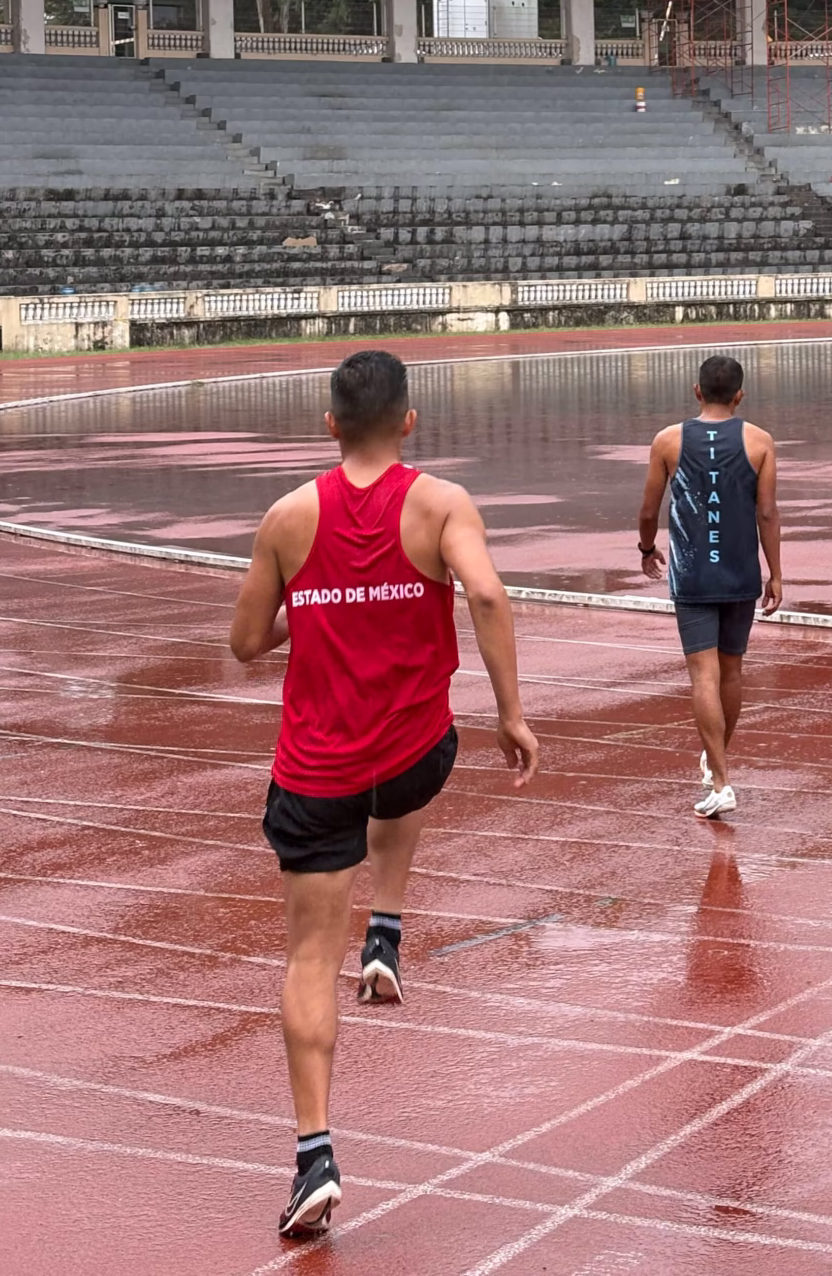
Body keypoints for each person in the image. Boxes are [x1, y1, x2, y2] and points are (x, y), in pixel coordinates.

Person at [228, 350, 540, 1241]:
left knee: (304, 961)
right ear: (409, 422)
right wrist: (512, 714)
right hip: (414, 758)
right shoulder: (441, 504)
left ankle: (315, 1154)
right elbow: (482, 588)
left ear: (330, 425)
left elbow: (248, 642)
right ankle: (390, 926)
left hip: (314, 778)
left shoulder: (288, 518)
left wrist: (311, 598)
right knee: (405, 769)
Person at [638, 355, 782, 818]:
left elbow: (648, 509)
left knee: (703, 675)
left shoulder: (669, 440)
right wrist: (775, 572)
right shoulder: (760, 442)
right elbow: (767, 513)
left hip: (694, 574)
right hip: (740, 573)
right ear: (740, 395)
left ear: (696, 391)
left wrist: (646, 548)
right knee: (732, 672)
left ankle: (720, 779)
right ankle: (717, 758)